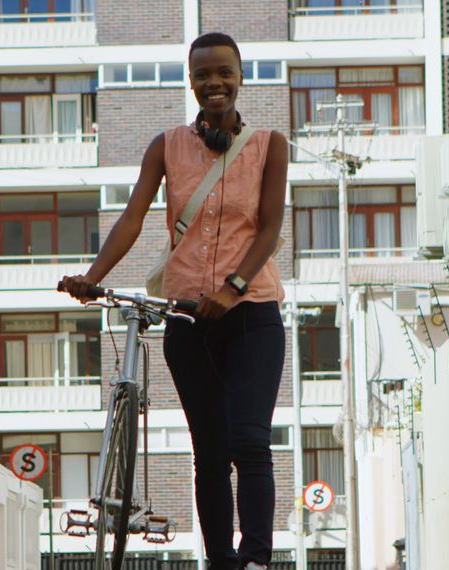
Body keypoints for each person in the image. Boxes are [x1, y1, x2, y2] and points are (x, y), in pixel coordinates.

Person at [60, 32, 288, 570]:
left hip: (253, 313)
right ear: (190, 82)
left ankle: (255, 559)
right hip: (189, 319)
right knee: (208, 454)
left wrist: (232, 289)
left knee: (249, 441)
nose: (215, 83)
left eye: (224, 73)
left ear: (239, 77)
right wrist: (93, 277)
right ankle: (221, 561)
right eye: (203, 74)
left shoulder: (270, 146)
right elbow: (133, 218)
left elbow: (271, 229)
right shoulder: (166, 146)